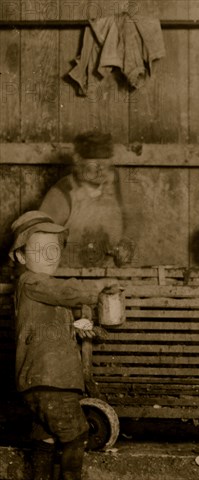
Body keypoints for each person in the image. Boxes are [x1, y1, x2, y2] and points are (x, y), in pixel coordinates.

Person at [9, 211, 118, 480]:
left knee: (46, 439)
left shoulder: (38, 290)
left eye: (54, 249)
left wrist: (76, 330)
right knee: (77, 435)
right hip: (51, 382)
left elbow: (45, 329)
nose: (49, 256)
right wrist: (100, 288)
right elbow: (65, 292)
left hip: (40, 381)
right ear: (21, 257)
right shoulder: (32, 281)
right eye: (40, 250)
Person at [39, 131, 134, 268]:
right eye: (95, 163)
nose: (102, 169)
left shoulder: (116, 186)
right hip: (71, 280)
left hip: (111, 279)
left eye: (106, 164)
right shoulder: (61, 195)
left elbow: (133, 219)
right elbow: (37, 246)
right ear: (78, 160)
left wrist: (127, 241)